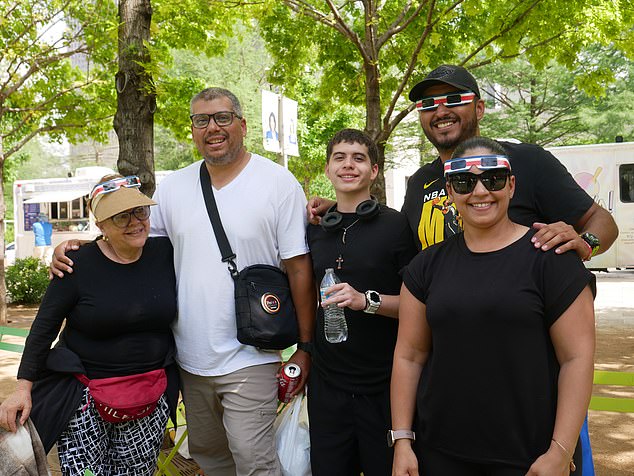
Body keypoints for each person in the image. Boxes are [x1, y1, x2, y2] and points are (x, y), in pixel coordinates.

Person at [308, 65, 617, 471]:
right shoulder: (421, 181)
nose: (442, 110)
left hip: (524, 380)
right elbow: (403, 252)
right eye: (429, 103)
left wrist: (585, 242)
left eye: (455, 99)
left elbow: (602, 222)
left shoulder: (527, 160)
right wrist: (343, 208)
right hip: (447, 381)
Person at [52, 87, 315, 476]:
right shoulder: (174, 187)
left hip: (252, 354)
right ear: (192, 129)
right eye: (201, 120)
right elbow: (135, 244)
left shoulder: (278, 184)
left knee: (254, 460)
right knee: (211, 459)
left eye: (222, 118)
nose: (212, 127)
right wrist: (85, 247)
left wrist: (305, 347)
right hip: (189, 359)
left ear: (242, 125)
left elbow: (298, 269)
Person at [391, 137, 596, 475]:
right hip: (439, 454)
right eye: (464, 182)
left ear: (511, 185)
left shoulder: (553, 261)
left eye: (493, 179)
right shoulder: (425, 267)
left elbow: (577, 359)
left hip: (531, 458)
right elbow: (409, 356)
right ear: (450, 192)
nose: (480, 191)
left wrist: (560, 450)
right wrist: (402, 442)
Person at [0, 174, 178, 475]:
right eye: (120, 216)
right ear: (101, 225)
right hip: (84, 399)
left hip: (148, 396)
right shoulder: (76, 264)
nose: (135, 222)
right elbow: (43, 329)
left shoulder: (167, 253)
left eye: (140, 211)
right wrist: (22, 388)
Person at [307, 129, 417, 476]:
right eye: (339, 157)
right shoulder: (315, 227)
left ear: (374, 171)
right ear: (328, 169)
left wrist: (365, 301)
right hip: (327, 387)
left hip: (383, 385)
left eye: (358, 158)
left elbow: (419, 308)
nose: (348, 165)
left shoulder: (396, 225)